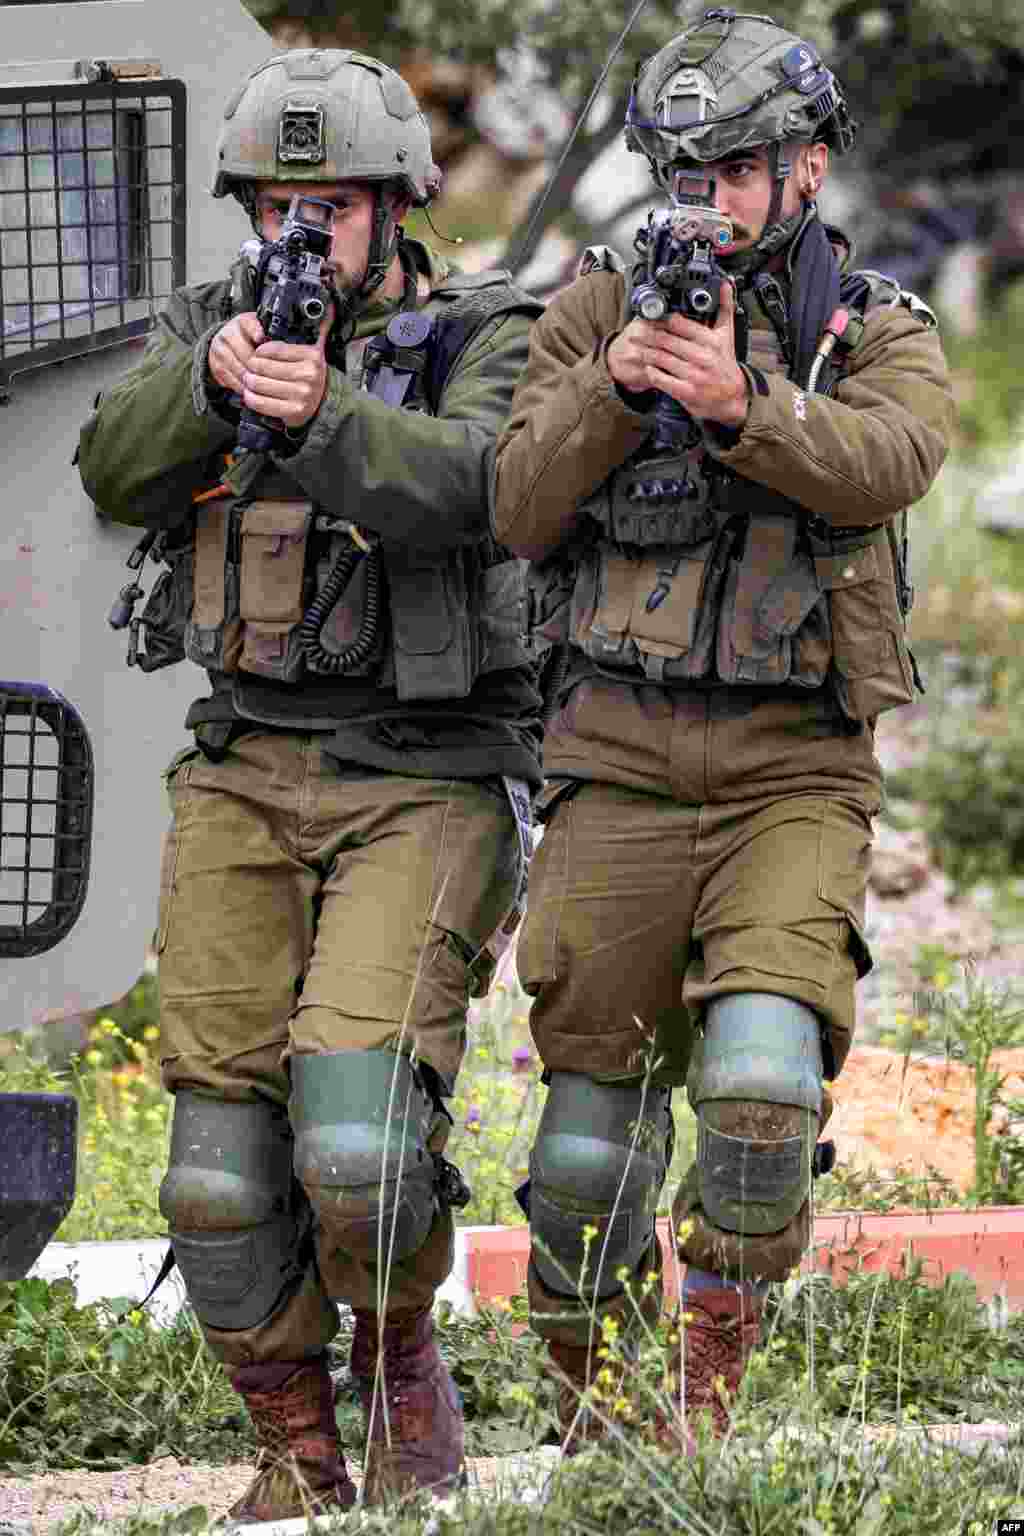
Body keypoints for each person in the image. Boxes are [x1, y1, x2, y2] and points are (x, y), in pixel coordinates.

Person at [78, 48, 543, 1523]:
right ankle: (294, 1448)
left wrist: (322, 409)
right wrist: (215, 387)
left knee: (358, 1141)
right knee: (214, 1174)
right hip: (244, 766)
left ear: (394, 203)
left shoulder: (487, 329)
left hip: (427, 774)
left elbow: (475, 486)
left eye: (328, 206)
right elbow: (110, 468)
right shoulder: (214, 331)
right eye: (276, 206)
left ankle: (398, 1352)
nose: (301, 235)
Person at [494, 8, 956, 1452]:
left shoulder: (869, 324)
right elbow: (514, 507)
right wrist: (616, 389)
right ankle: (599, 1412)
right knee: (583, 1156)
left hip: (793, 770)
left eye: (737, 171)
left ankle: (702, 1390)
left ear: (806, 171)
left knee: (759, 1093)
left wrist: (749, 407)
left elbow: (892, 461)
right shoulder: (590, 311)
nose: (705, 202)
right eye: (682, 174)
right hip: (617, 760)